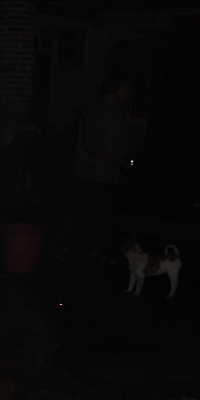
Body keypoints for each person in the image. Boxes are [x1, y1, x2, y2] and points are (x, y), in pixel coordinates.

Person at [68, 70, 135, 262]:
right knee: (86, 216)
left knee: (105, 217)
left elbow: (126, 140)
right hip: (89, 174)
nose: (128, 93)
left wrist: (129, 157)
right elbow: (91, 144)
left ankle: (99, 252)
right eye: (126, 89)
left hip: (110, 176)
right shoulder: (95, 109)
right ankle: (79, 253)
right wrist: (116, 159)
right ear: (115, 89)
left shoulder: (121, 113)